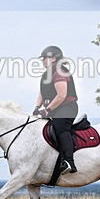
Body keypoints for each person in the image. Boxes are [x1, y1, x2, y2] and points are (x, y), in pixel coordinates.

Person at [32, 45, 78, 174]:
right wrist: (36, 108)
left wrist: (47, 110)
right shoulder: (47, 74)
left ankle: (69, 161)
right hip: (54, 108)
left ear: (53, 58)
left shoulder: (60, 72)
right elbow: (42, 93)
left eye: (45, 58)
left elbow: (61, 95)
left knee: (60, 127)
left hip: (67, 107)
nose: (42, 61)